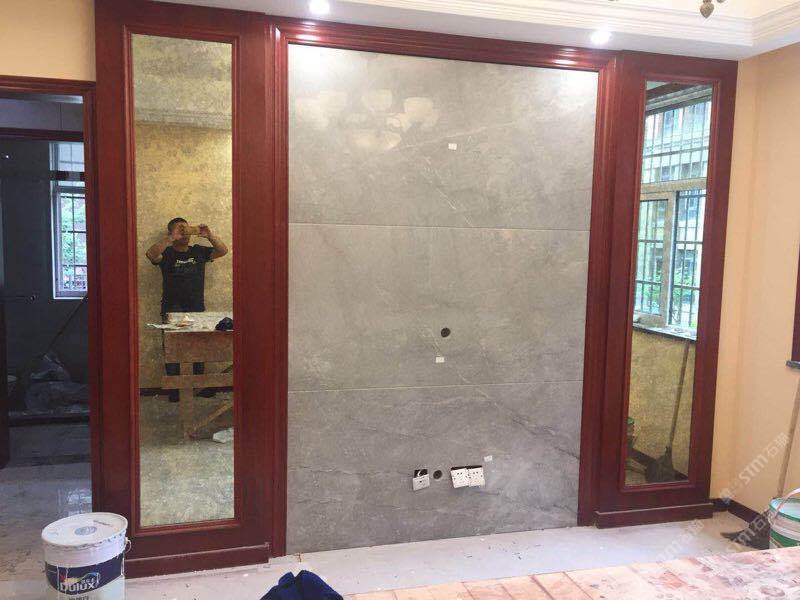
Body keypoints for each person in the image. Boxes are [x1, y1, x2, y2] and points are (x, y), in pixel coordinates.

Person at [146, 217, 229, 397]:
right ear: (172, 232)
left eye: (186, 229)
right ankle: (175, 391)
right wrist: (171, 238)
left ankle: (197, 388)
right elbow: (151, 255)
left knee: (198, 347)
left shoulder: (198, 251)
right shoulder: (167, 253)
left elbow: (223, 251)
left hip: (196, 308)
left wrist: (209, 235)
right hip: (172, 308)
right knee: (173, 348)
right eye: (180, 229)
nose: (184, 232)